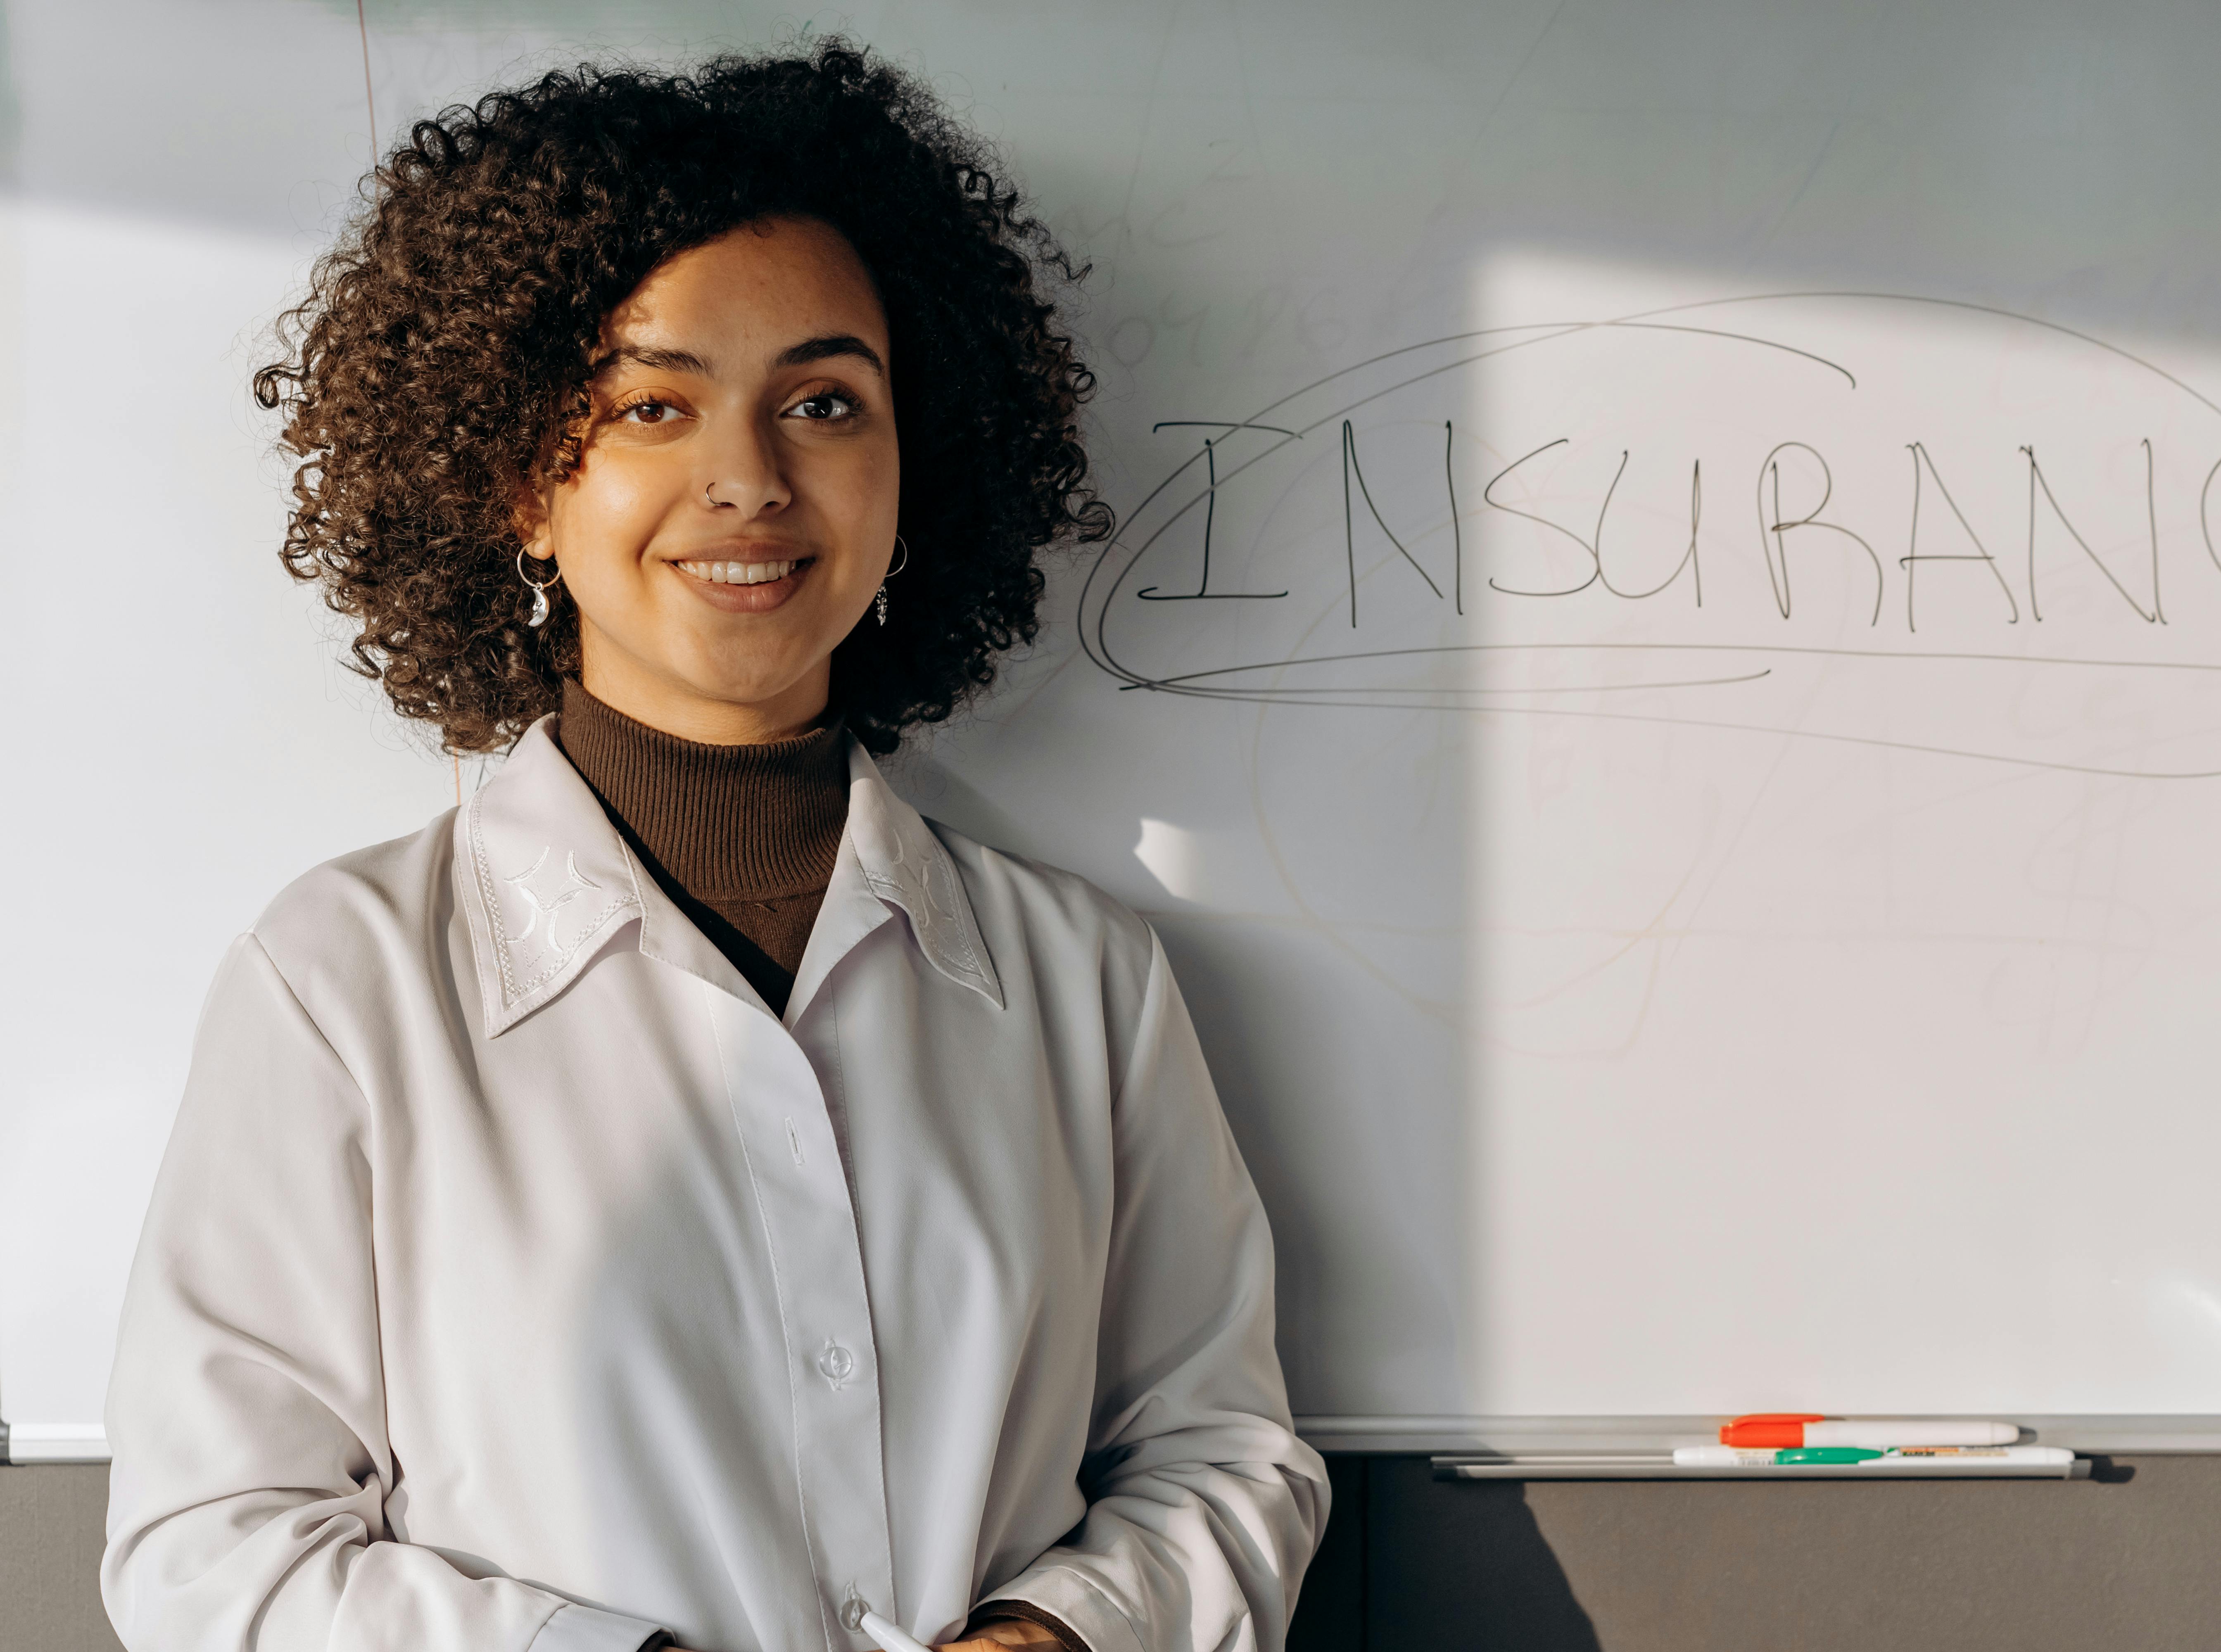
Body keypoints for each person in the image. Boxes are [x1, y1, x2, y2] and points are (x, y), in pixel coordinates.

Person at [99, 43, 1325, 1652]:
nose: (748, 480)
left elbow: (1223, 1454)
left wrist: (1066, 1634)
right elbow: (215, 1545)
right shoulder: (341, 982)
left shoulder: (1084, 980)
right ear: (521, 483)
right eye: (653, 406)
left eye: (824, 402)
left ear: (915, 466)